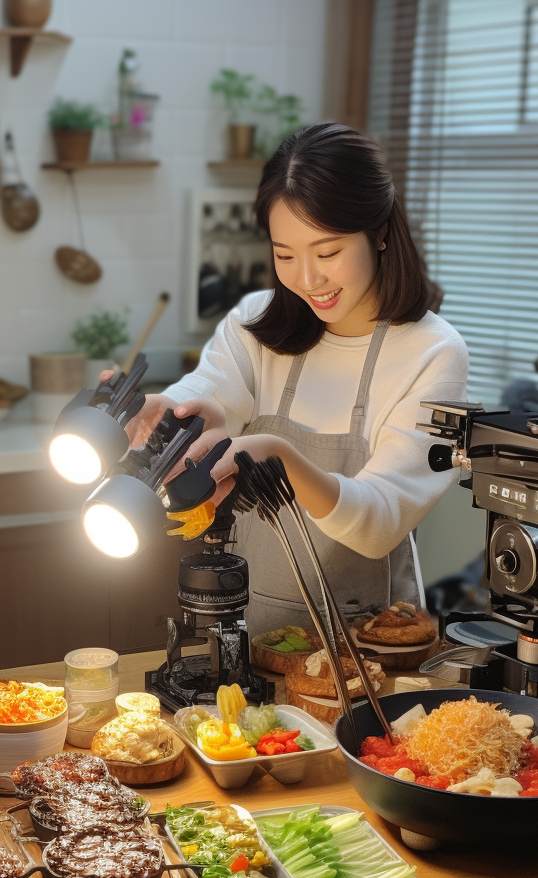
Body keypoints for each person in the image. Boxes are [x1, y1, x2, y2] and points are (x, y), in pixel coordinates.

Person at [123, 122, 469, 636]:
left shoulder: (432, 353)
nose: (307, 279)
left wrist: (279, 455)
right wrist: (167, 410)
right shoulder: (254, 320)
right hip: (248, 632)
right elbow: (212, 391)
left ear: (380, 232)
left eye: (327, 252)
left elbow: (379, 522)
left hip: (369, 648)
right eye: (285, 255)